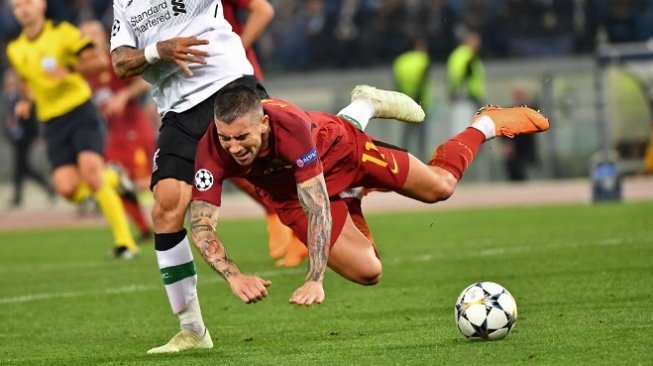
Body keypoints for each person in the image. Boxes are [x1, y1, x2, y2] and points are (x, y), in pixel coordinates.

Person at [188, 83, 549, 307]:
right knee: (369, 272)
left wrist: (314, 277)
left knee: (441, 187)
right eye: (226, 138)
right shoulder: (211, 150)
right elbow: (202, 226)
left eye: (242, 137)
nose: (233, 148)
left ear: (263, 122)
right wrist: (234, 277)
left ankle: (485, 123)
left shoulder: (289, 129)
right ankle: (354, 187)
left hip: (344, 152)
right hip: (291, 196)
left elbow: (318, 210)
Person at [6, 0, 139, 258]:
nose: (24, 8)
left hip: (79, 111)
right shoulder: (15, 48)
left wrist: (68, 68)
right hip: (51, 122)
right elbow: (24, 79)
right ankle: (113, 177)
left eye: (29, 2)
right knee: (67, 189)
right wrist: (25, 100)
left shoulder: (64, 33)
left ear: (42, 5)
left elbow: (99, 62)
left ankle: (126, 244)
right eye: (18, 5)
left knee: (90, 172)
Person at [222, 0, 307, 267]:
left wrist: (233, 53)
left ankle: (299, 226)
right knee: (227, 159)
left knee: (268, 156)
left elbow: (263, 10)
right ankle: (285, 219)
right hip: (208, 87)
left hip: (237, 79)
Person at [80, 20, 155, 241]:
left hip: (134, 128)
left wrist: (124, 95)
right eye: (85, 34)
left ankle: (165, 225)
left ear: (104, 36)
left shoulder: (116, 59)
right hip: (111, 135)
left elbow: (145, 82)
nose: (90, 38)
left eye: (94, 33)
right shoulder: (84, 69)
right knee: (111, 182)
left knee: (142, 183)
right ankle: (144, 229)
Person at [2, 68, 55, 207]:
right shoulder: (7, 97)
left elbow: (32, 118)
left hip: (25, 137)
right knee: (22, 167)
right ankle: (46, 188)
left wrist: (37, 135)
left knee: (21, 167)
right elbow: (7, 120)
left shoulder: (23, 97)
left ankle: (19, 197)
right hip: (15, 138)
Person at [393, 38, 433, 159]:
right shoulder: (423, 60)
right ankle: (421, 161)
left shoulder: (400, 61)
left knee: (406, 134)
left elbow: (397, 82)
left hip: (404, 101)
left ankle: (401, 158)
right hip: (420, 101)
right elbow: (423, 79)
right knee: (421, 136)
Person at [447, 31, 485, 136]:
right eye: (475, 40)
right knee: (466, 128)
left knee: (472, 129)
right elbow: (457, 76)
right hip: (466, 96)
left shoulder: (469, 55)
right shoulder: (465, 55)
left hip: (472, 96)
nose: (478, 43)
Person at [502, 83, 540, 181]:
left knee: (525, 173)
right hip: (514, 150)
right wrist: (506, 145)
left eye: (521, 94)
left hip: (526, 150)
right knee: (514, 174)